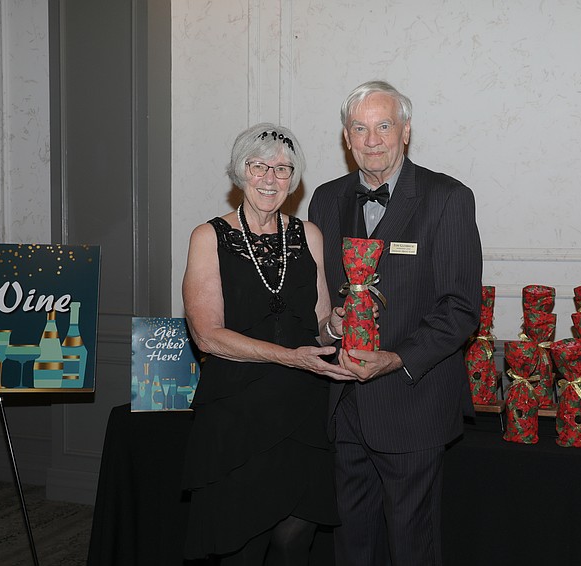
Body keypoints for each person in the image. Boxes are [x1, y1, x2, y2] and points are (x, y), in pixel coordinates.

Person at [308, 80, 483, 565]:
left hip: (413, 402)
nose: (372, 139)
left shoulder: (447, 198)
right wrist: (332, 326)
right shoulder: (324, 200)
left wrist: (397, 359)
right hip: (345, 406)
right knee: (352, 544)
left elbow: (461, 307)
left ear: (405, 131)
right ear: (346, 137)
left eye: (384, 125)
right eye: (359, 128)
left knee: (412, 545)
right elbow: (319, 301)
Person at [181, 123, 356, 565]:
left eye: (283, 169)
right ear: (240, 173)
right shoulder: (209, 238)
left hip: (301, 410)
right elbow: (207, 335)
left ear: (293, 180)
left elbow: (318, 325)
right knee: (242, 544)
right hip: (237, 411)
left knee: (294, 541)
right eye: (259, 166)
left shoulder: (308, 235)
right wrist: (290, 357)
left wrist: (336, 324)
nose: (270, 178)